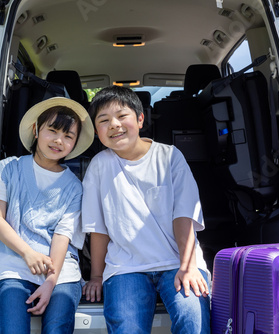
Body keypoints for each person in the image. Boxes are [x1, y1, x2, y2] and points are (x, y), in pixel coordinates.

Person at [81, 86, 211, 334]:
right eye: (104, 120)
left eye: (122, 116)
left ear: (140, 119)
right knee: (126, 328)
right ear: (97, 132)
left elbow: (184, 216)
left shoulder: (170, 157)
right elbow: (99, 229)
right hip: (125, 268)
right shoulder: (99, 166)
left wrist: (188, 266)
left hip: (177, 261)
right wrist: (96, 276)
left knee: (193, 320)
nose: (114, 125)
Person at [0, 97, 94, 334]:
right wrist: (27, 253)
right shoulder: (9, 168)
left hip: (59, 272)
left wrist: (50, 281)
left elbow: (63, 235)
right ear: (36, 130)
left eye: (68, 136)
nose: (59, 140)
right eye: (52, 130)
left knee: (57, 328)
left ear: (74, 143)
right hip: (15, 265)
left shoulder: (74, 186)